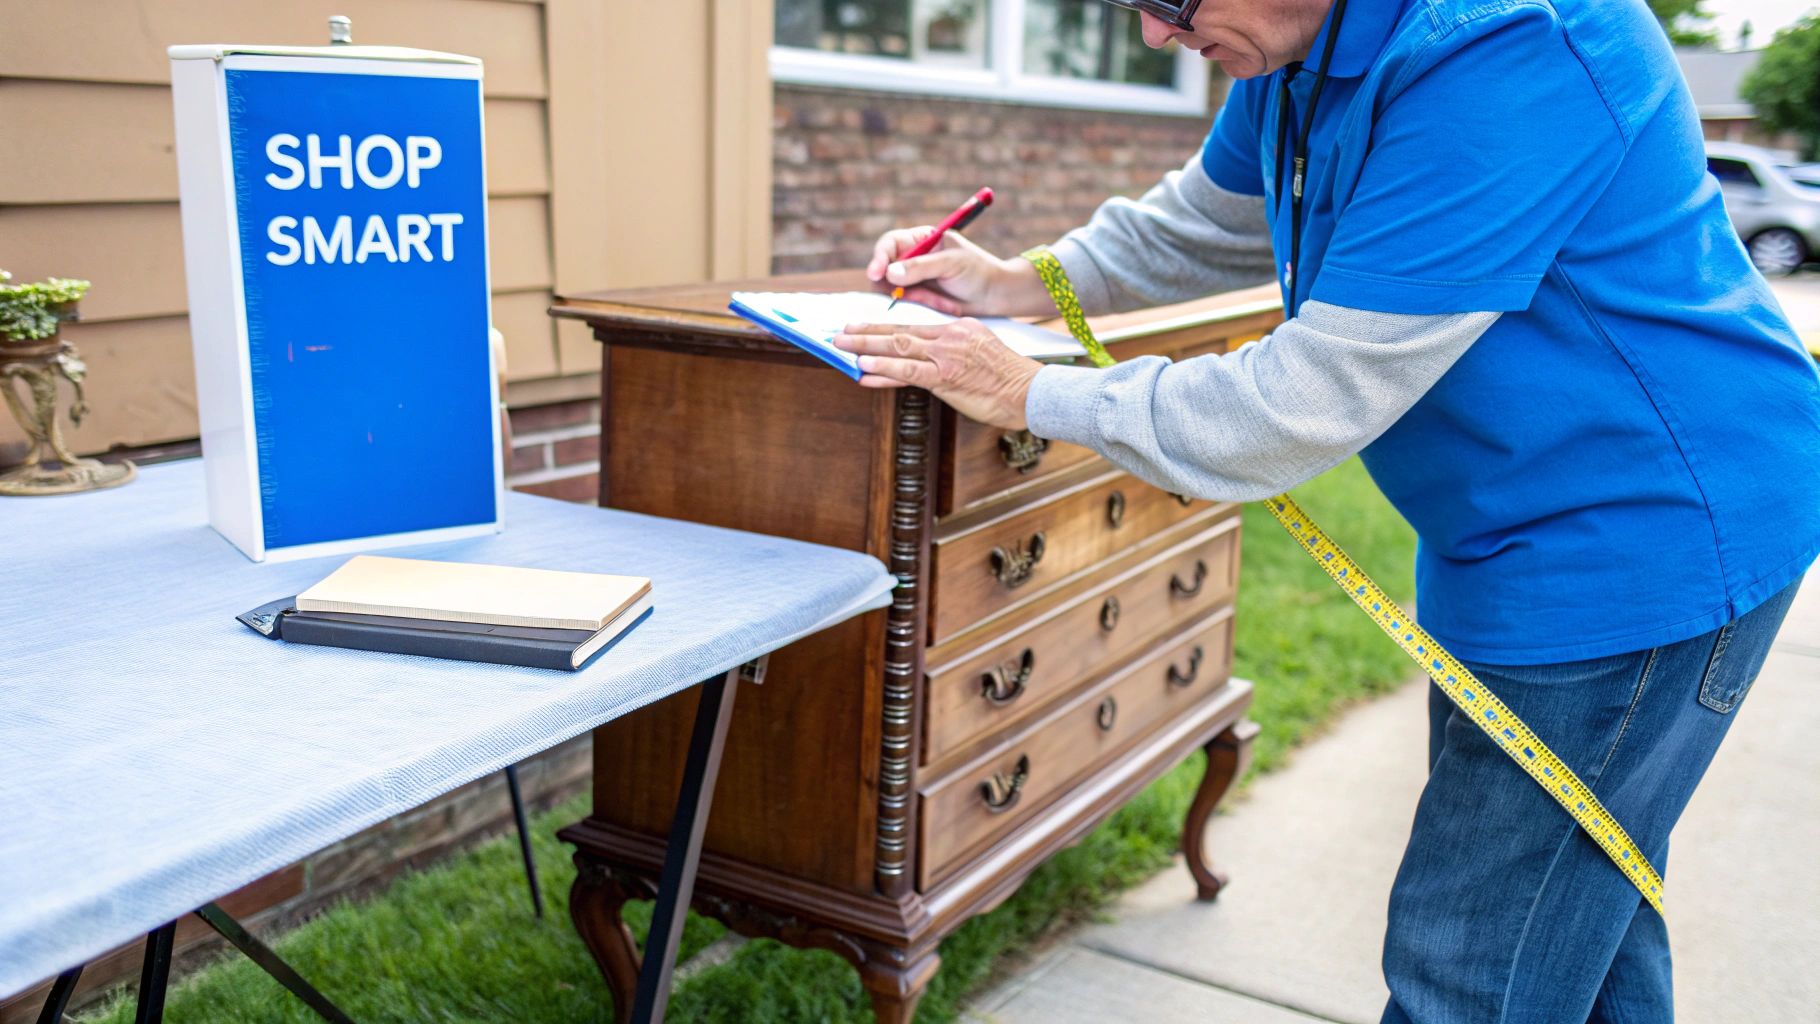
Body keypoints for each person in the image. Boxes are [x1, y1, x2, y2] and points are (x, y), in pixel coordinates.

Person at [832, 0, 1820, 1021]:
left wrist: (1031, 393)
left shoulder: (1514, 46)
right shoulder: (1290, 47)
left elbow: (1302, 401)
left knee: (1469, 976)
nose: (1154, 37)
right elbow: (1201, 221)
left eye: (1173, 0)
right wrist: (1017, 283)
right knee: (1572, 913)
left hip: (1642, 540)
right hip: (1512, 531)